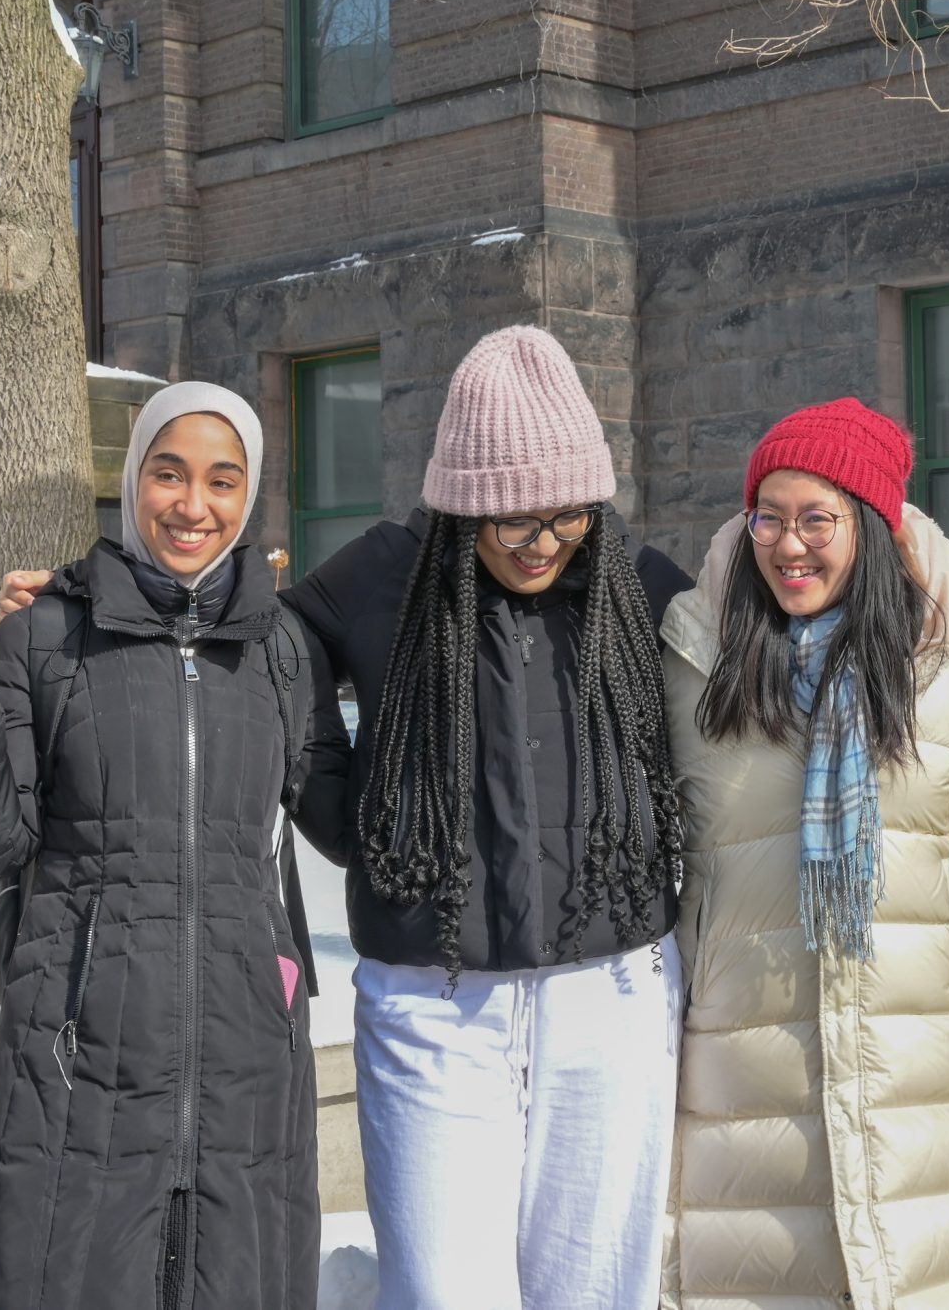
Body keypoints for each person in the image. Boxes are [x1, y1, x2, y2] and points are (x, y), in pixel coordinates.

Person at [0, 383, 350, 1310]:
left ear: (251, 494)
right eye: (169, 473)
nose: (194, 505)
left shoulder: (284, 649)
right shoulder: (46, 634)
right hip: (79, 1063)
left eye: (222, 481)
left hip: (248, 1067)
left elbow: (347, 822)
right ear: (133, 481)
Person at [284, 326, 692, 1310]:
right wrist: (352, 811)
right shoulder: (384, 573)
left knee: (598, 1290)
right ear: (462, 498)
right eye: (513, 521)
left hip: (614, 992)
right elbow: (268, 642)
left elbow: (770, 639)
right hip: (433, 997)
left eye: (566, 516)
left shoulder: (634, 583)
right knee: (440, 1289)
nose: (544, 543)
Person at [658, 397, 949, 1310]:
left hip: (913, 1097)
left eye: (816, 519)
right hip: (742, 1103)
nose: (788, 544)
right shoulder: (693, 662)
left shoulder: (946, 672)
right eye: (769, 515)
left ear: (869, 528)